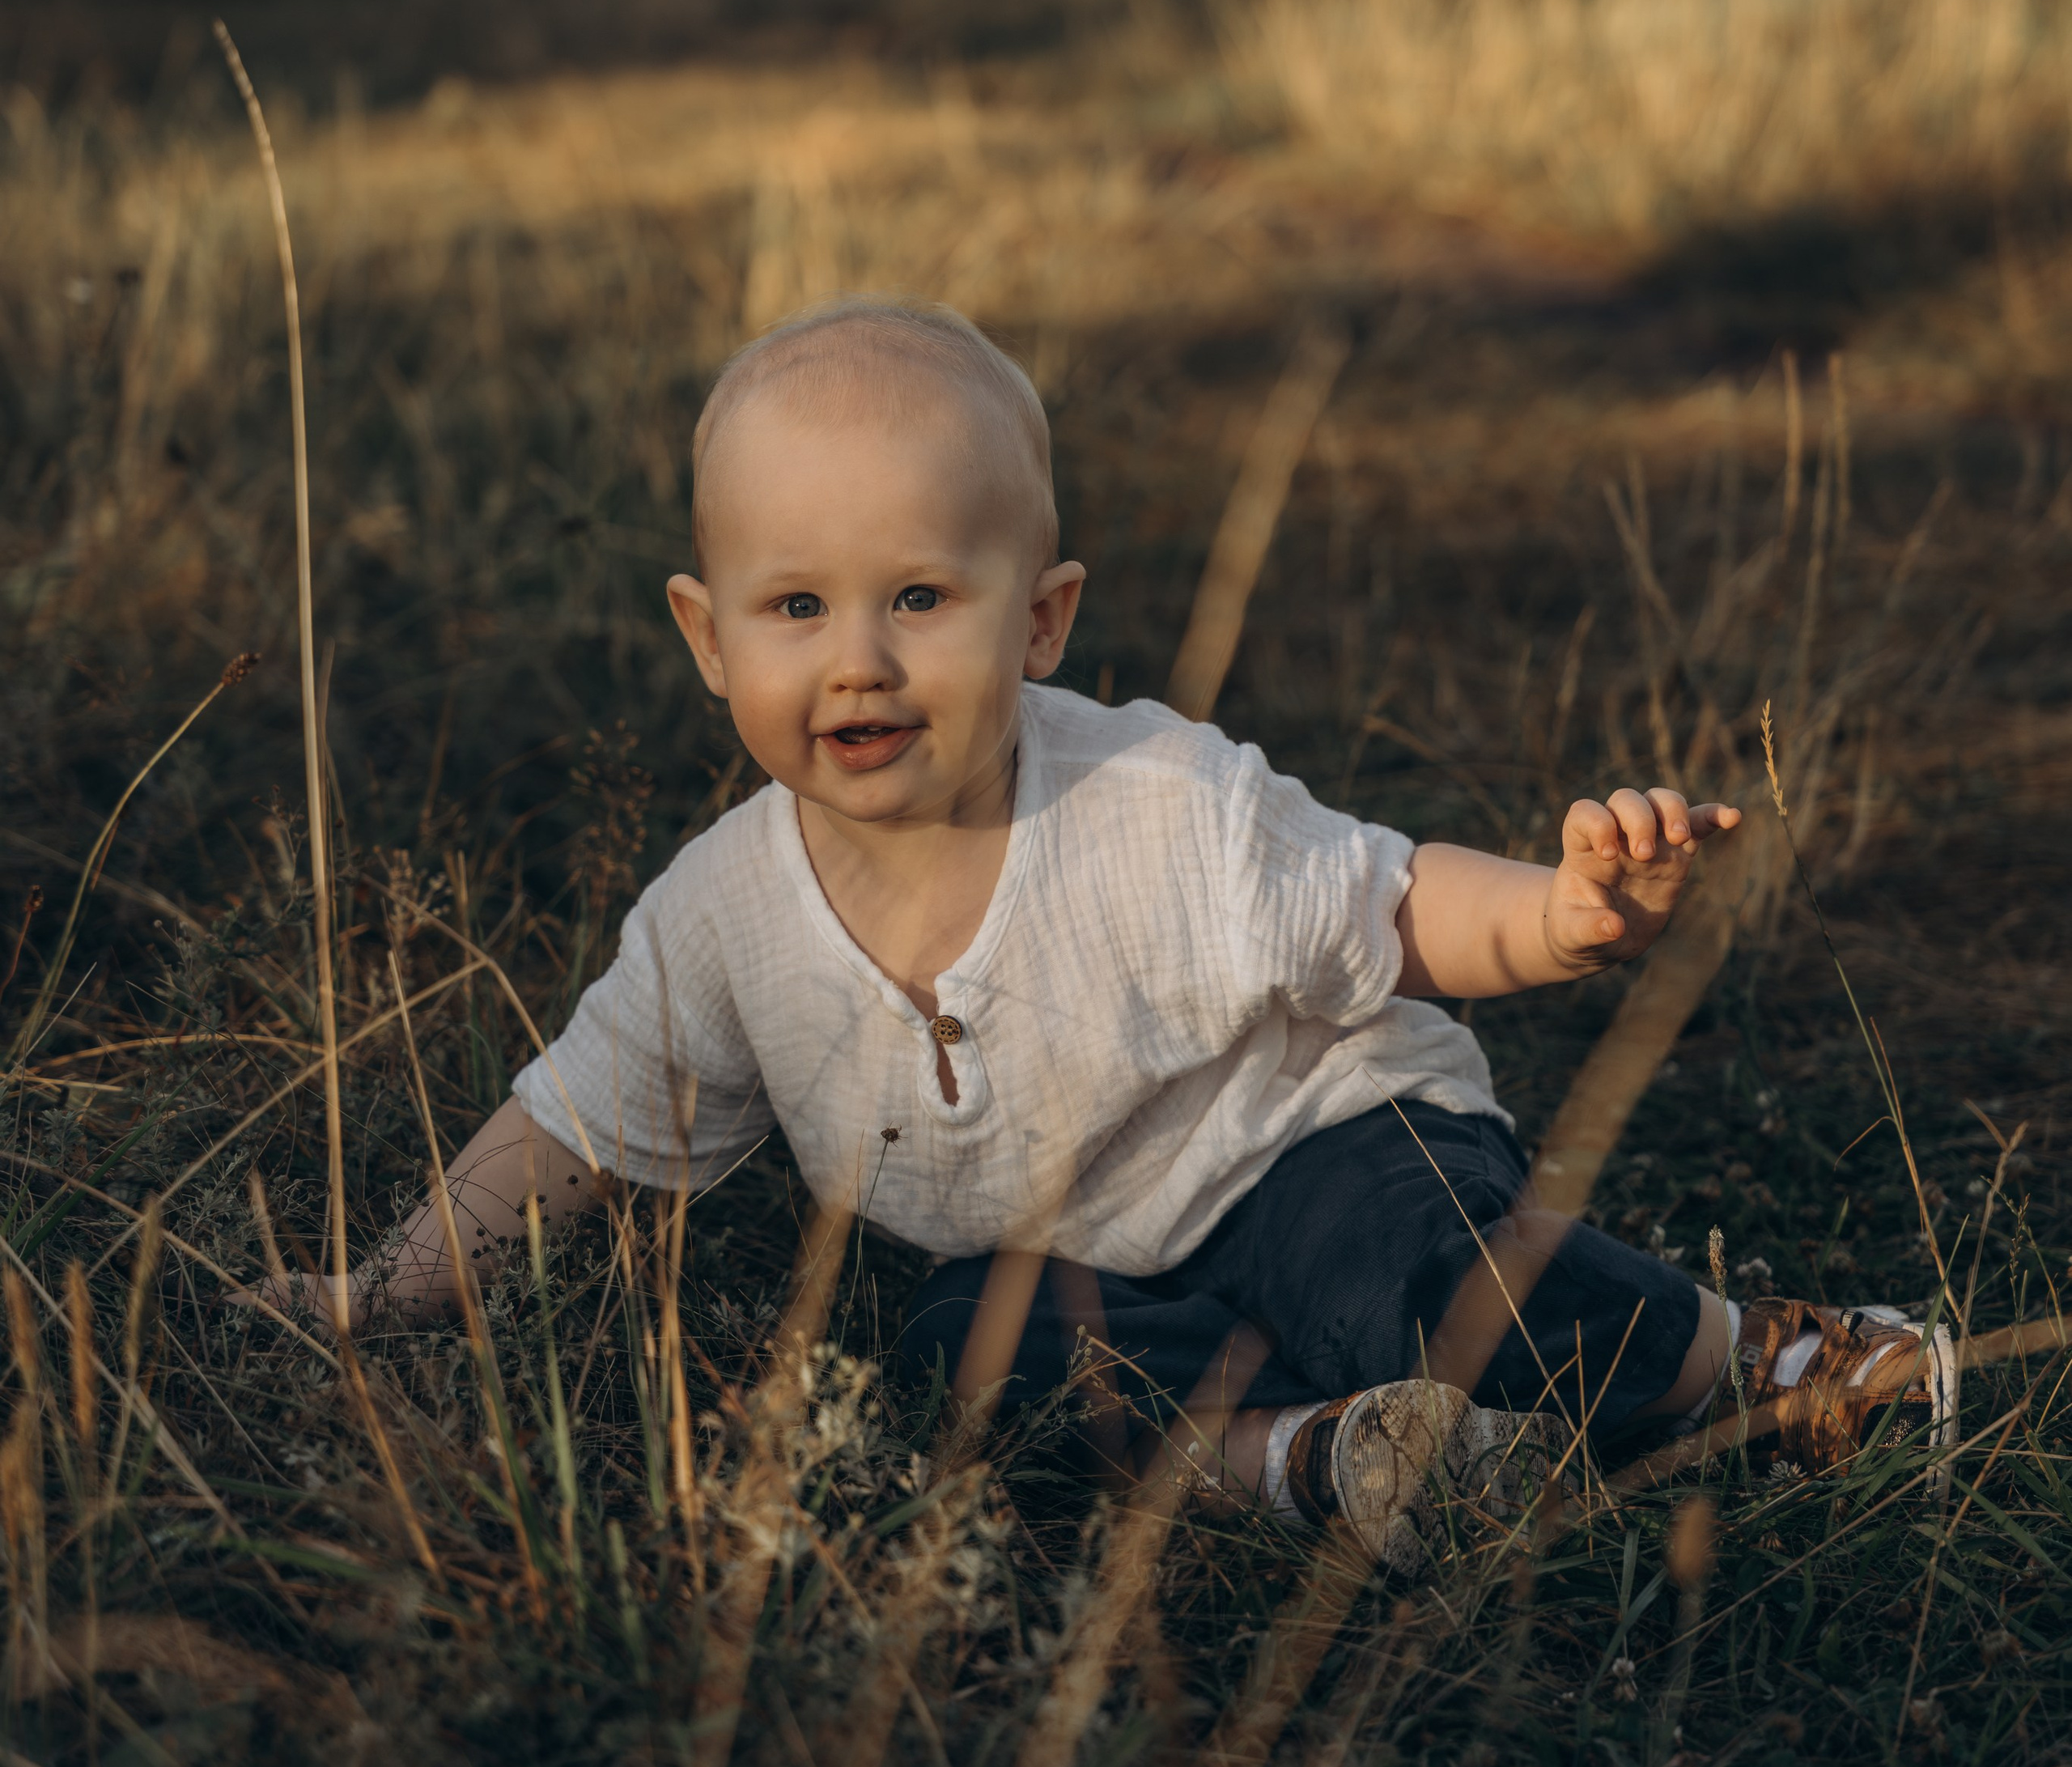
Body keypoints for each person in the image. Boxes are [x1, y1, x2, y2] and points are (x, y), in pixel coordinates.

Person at [255, 298, 1956, 1562]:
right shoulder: (719, 919)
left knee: (1426, 1278)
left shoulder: (1152, 804)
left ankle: (1754, 1360)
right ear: (708, 640)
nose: (857, 658)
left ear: (1041, 619)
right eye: (796, 608)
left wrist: (1567, 916)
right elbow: (575, 1126)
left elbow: (1390, 904)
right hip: (1064, 1265)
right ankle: (1324, 1463)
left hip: (1306, 1152)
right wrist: (381, 1294)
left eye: (920, 597)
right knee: (952, 1366)